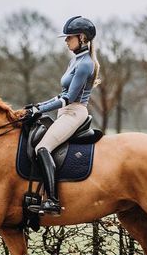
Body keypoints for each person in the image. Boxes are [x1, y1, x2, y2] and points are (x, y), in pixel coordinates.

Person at [25, 16, 101, 216]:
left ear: (82, 38)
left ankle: (52, 201)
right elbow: (61, 95)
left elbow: (68, 98)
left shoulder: (85, 64)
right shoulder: (74, 60)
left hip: (74, 112)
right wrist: (38, 106)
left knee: (42, 147)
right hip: (65, 112)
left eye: (69, 37)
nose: (66, 41)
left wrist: (40, 110)